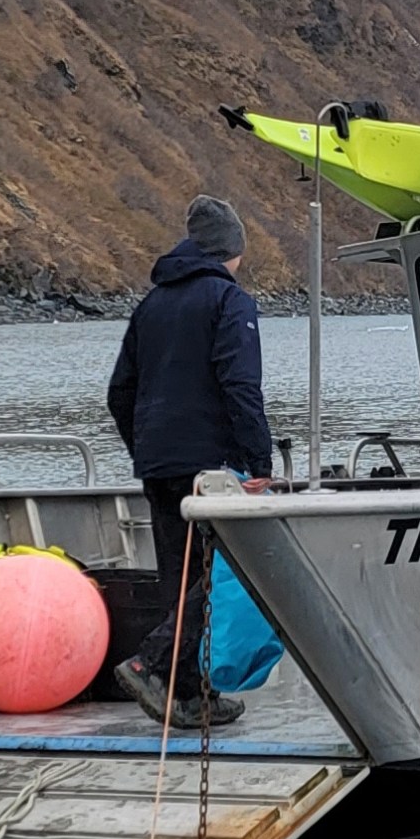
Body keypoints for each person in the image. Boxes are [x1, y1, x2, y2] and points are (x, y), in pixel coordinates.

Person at [107, 195, 274, 727]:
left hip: (158, 464)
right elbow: (241, 385)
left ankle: (189, 694)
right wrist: (258, 459)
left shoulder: (151, 305)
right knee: (219, 575)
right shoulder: (230, 302)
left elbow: (119, 392)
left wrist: (145, 450)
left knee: (177, 579)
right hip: (210, 465)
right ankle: (151, 663)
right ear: (233, 249)